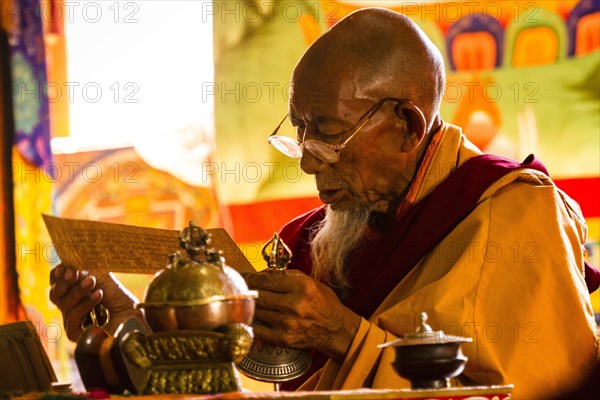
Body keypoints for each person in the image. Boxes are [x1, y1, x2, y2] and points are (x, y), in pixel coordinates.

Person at [50, 8, 599, 399]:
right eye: (299, 132)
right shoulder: (330, 235)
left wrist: (341, 333)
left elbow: (522, 388)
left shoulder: (513, 213)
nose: (308, 162)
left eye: (327, 135)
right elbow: (281, 381)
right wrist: (132, 330)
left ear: (406, 125)